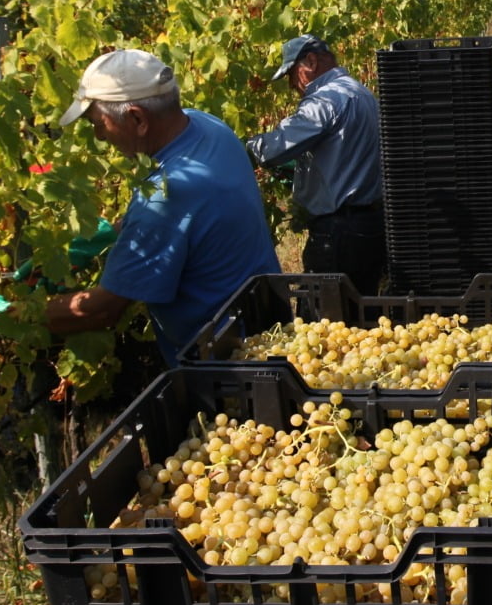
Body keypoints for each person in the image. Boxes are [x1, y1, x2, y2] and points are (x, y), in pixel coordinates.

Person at [46, 48, 280, 367]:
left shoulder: (167, 195)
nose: (98, 135)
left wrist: (17, 315)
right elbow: (186, 222)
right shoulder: (208, 127)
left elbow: (104, 309)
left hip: (227, 360)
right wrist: (106, 234)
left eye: (97, 123)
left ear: (137, 119)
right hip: (267, 321)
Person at [246, 34, 388, 294]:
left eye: (291, 74)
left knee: (325, 321)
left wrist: (244, 147)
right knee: (360, 319)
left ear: (310, 62)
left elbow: (275, 147)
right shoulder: (360, 92)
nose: (291, 85)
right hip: (368, 225)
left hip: (339, 234)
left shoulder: (326, 99)